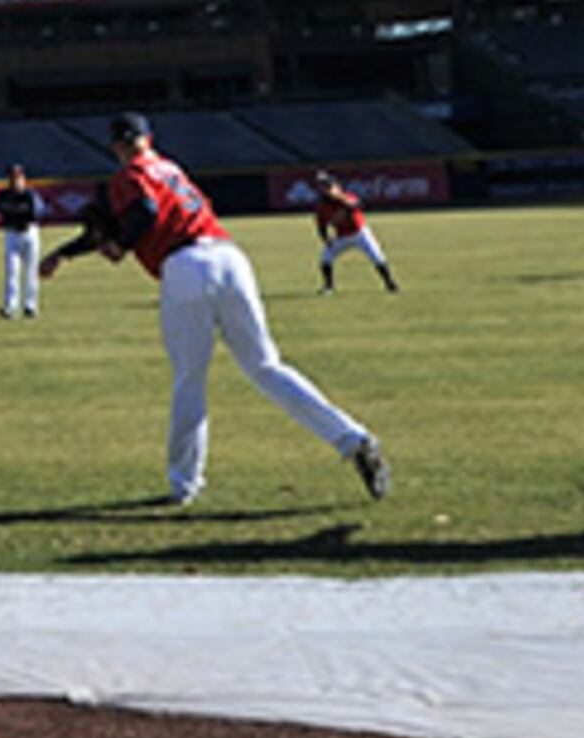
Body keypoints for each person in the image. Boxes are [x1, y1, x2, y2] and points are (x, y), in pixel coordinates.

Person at [43, 115, 389, 507]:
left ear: (116, 146)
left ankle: (184, 483)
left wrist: (120, 245)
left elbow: (144, 210)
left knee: (190, 379)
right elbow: (136, 215)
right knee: (266, 366)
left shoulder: (129, 175)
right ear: (148, 138)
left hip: (186, 266)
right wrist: (67, 253)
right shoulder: (170, 167)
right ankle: (352, 438)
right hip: (230, 257)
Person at [308, 171, 396, 293]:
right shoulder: (322, 207)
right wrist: (326, 240)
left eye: (327, 187)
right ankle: (329, 287)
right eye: (323, 188)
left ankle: (390, 283)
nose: (325, 191)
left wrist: (341, 199)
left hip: (360, 233)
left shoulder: (346, 197)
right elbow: (321, 226)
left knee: (377, 256)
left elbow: (357, 205)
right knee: (326, 257)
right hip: (342, 237)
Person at [0, 167, 45, 319]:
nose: (15, 181)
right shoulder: (3, 196)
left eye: (18, 178)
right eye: (13, 178)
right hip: (12, 235)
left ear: (23, 179)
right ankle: (11, 307)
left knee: (31, 271)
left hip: (30, 234)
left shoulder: (30, 195)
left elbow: (39, 212)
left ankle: (30, 306)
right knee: (12, 271)